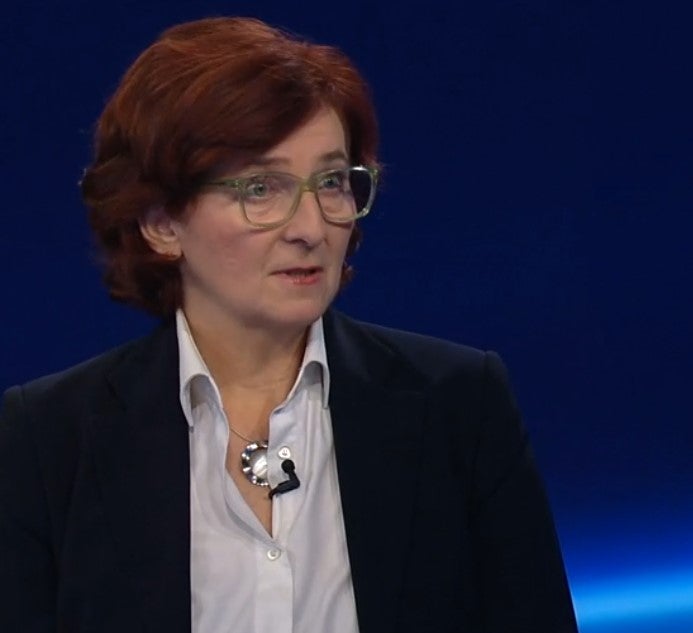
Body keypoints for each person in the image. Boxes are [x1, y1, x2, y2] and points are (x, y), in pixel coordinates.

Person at [0, 16, 578, 633]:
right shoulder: (49, 438)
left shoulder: (459, 403)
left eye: (332, 182)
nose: (311, 227)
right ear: (161, 222)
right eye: (260, 188)